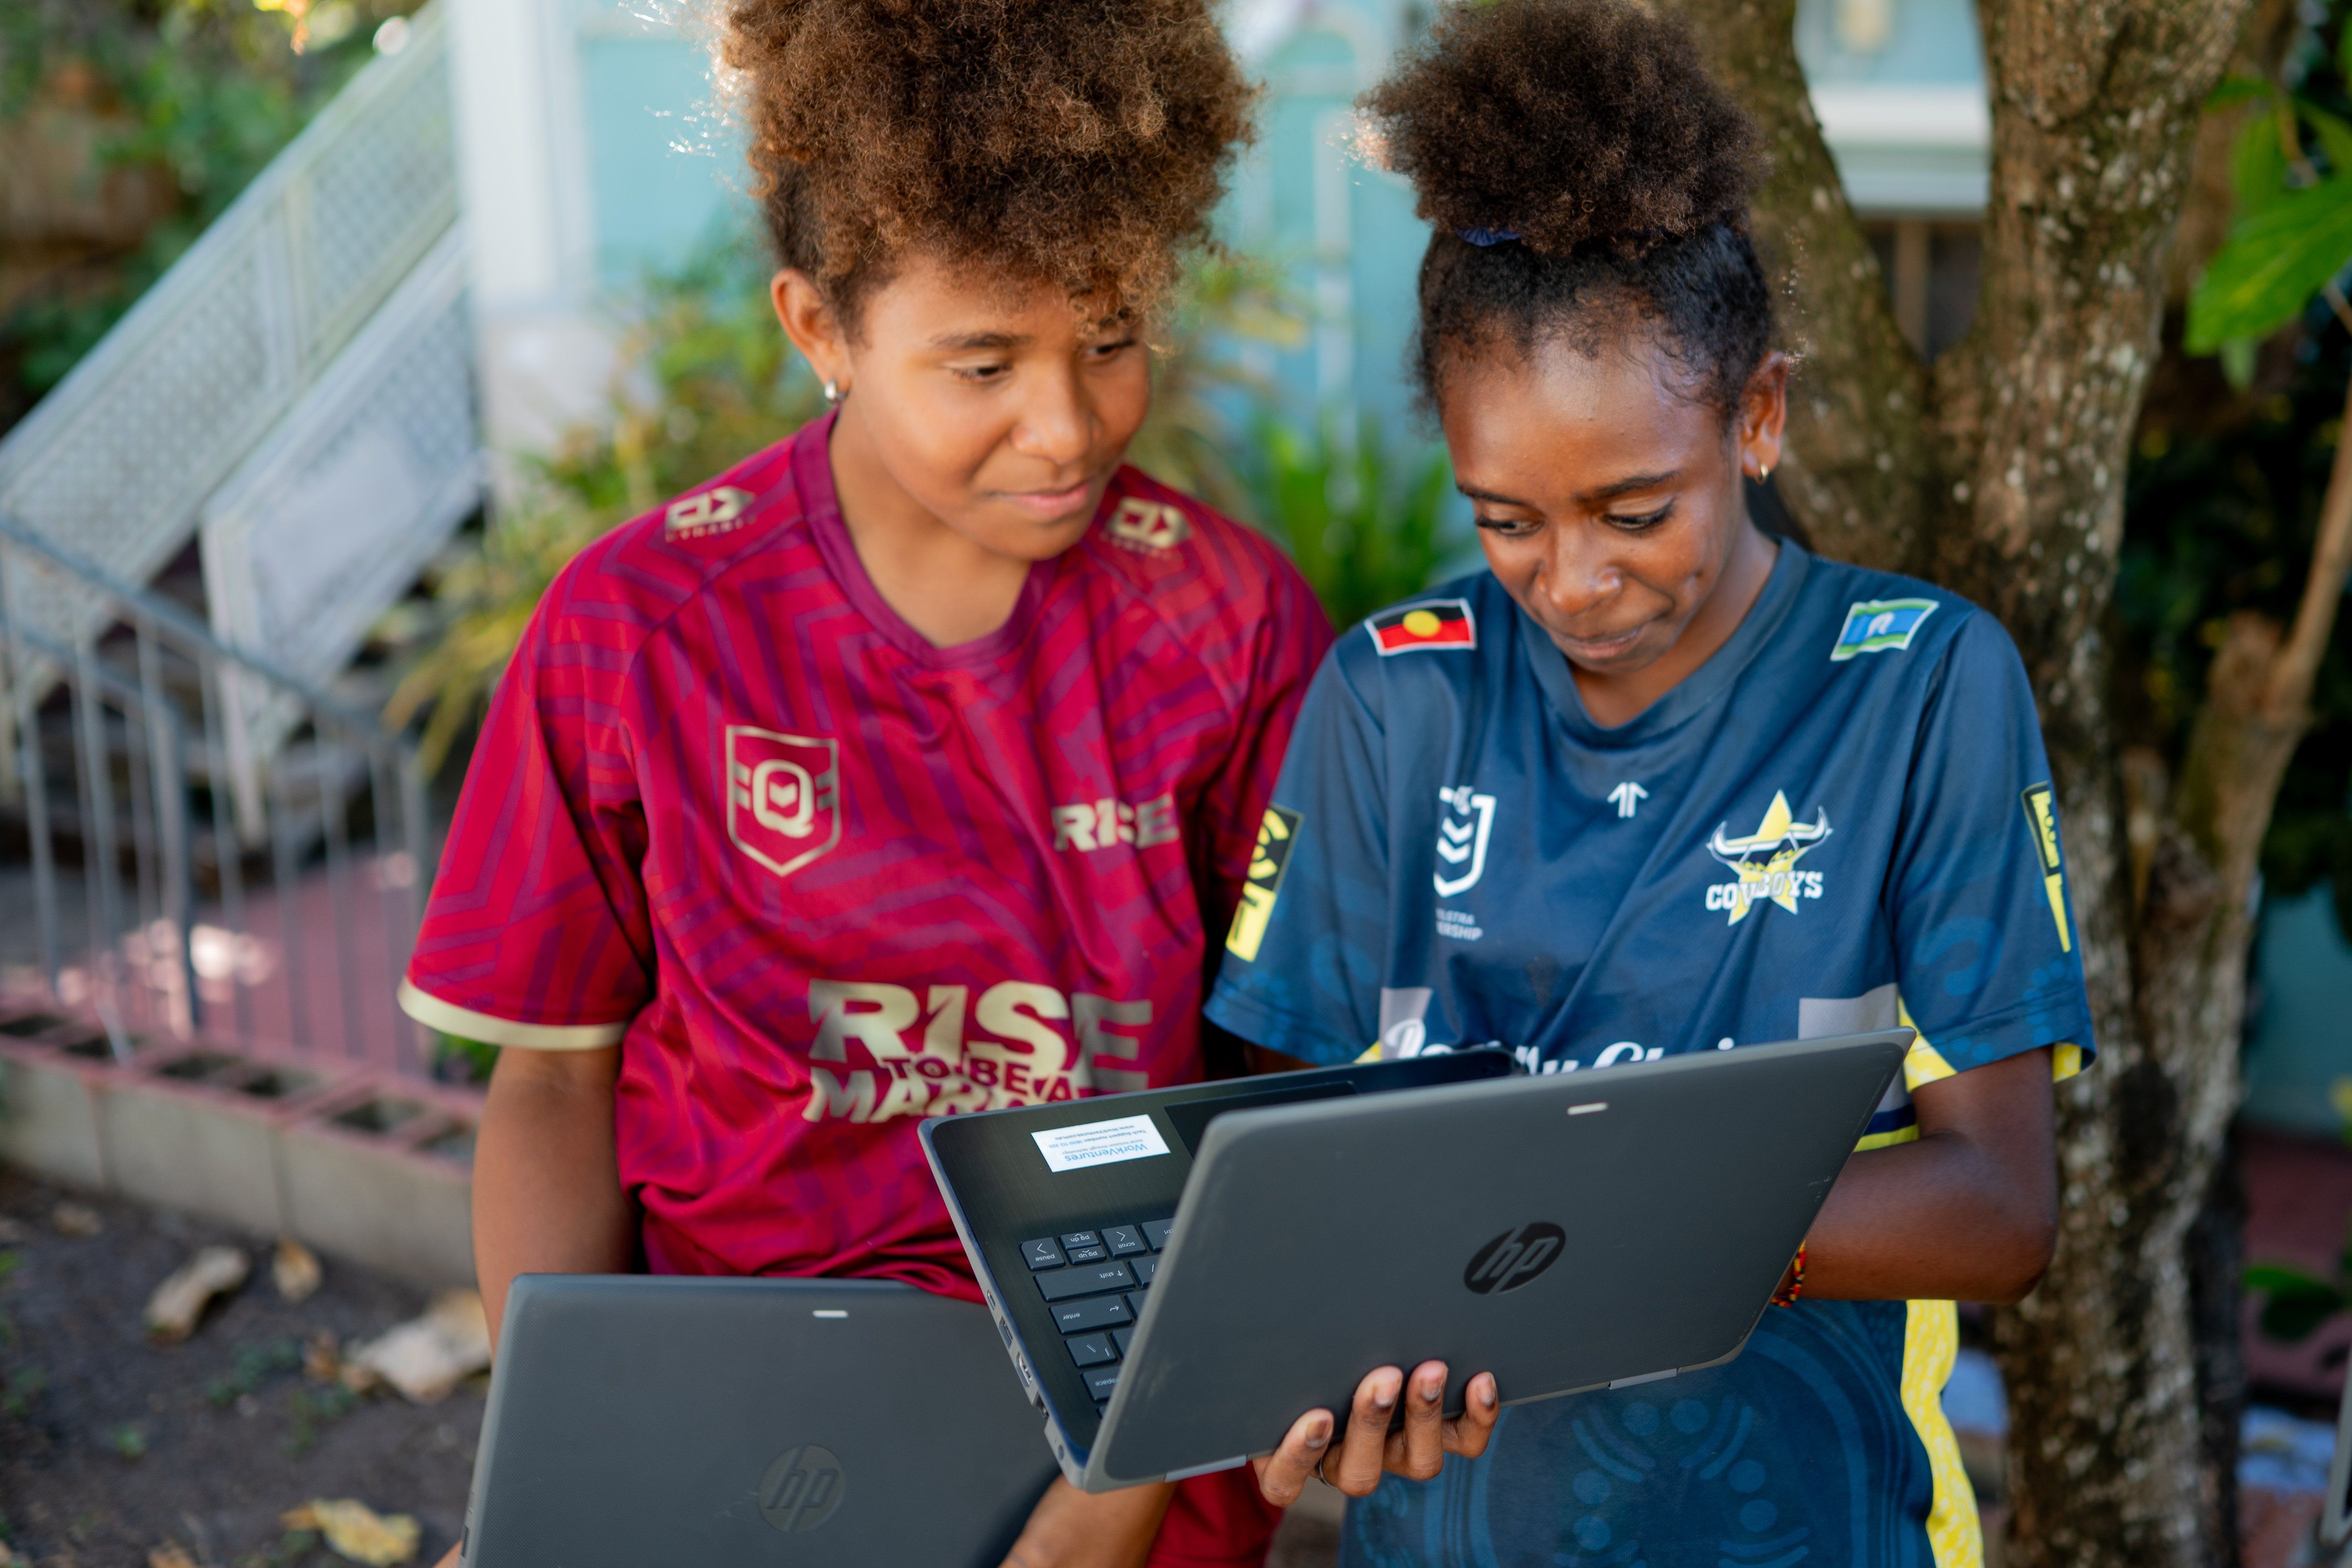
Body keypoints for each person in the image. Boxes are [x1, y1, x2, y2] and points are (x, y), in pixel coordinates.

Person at [397, 2, 1330, 1563]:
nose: (1069, 423)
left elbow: (1281, 1110)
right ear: (820, 329)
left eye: (1111, 338)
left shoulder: (1228, 627)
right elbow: (556, 1078)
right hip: (745, 1460)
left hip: (1125, 1469)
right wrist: (594, 1449)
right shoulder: (637, 634)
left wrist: (1115, 1496)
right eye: (984, 362)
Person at [1210, 1, 2095, 1563]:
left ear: (1755, 416)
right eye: (1507, 518)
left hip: (1828, 1520)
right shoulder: (1393, 695)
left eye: (1633, 509)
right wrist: (1324, 1366)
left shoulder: (1918, 684)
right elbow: (1288, 1171)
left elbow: (1996, 1208)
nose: (1573, 579)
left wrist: (1587, 1244)